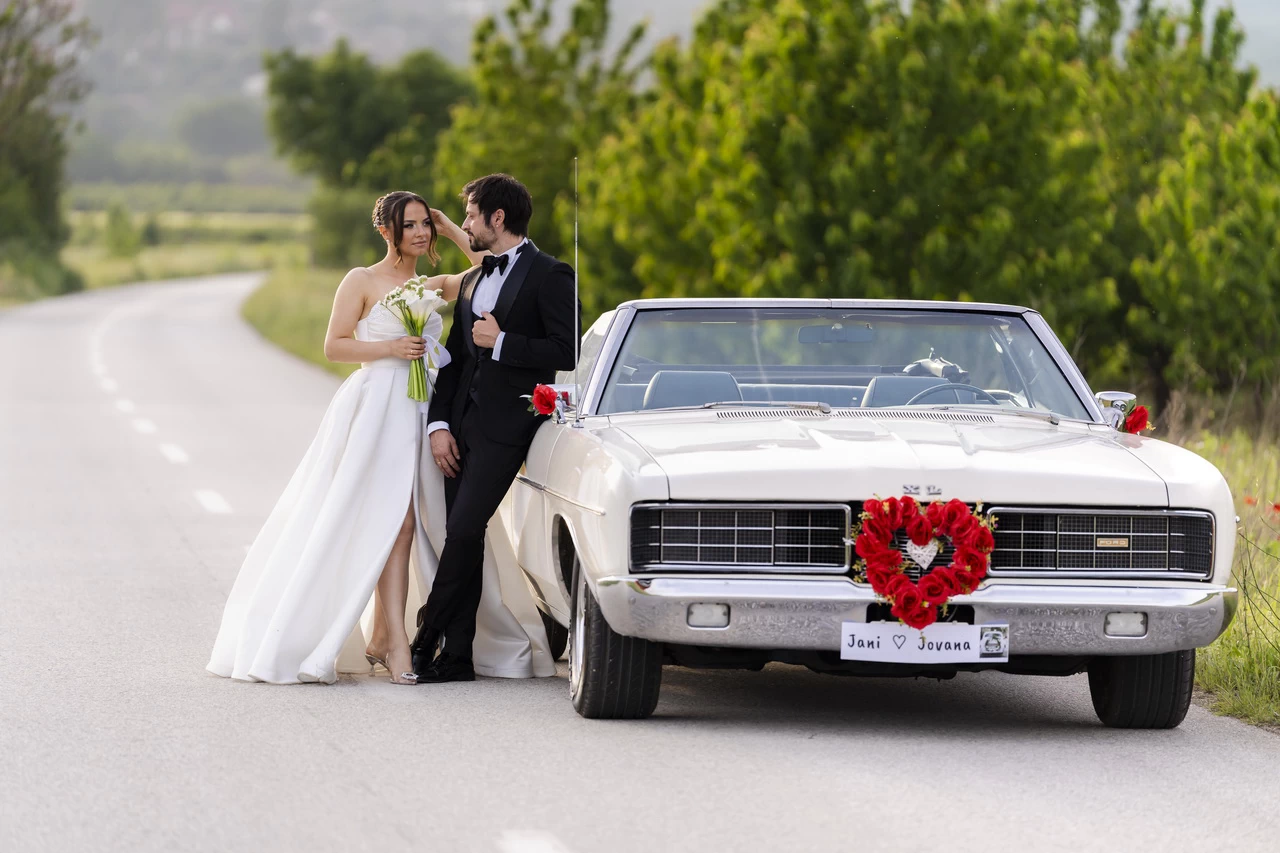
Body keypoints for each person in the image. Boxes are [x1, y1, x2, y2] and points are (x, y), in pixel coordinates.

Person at [207, 191, 484, 684]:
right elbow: (334, 346)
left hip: (420, 409)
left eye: (425, 224)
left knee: (407, 521)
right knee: (395, 521)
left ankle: (382, 635)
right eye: (410, 225)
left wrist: (451, 228)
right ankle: (395, 642)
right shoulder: (361, 280)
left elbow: (488, 268)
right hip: (376, 410)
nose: (420, 233)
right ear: (386, 231)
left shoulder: (427, 284)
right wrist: (391, 348)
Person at [412, 173, 579, 683]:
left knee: (464, 528)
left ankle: (425, 637)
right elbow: (455, 362)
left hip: (510, 428)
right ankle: (457, 656)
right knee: (463, 535)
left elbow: (567, 348)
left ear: (497, 218)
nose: (464, 225)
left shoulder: (551, 274)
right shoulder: (471, 280)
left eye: (470, 215)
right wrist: (439, 424)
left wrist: (503, 342)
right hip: (460, 426)